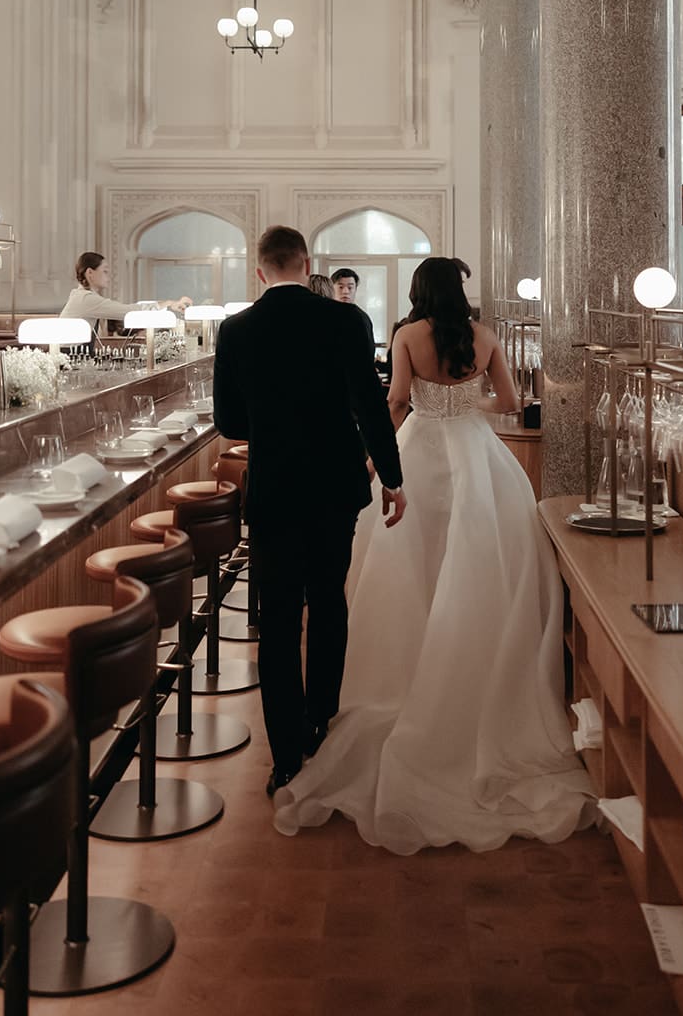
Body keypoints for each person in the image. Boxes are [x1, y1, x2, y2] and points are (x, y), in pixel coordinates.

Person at [274, 256, 595, 853]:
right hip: (477, 456)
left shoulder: (406, 336)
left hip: (417, 451)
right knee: (477, 561)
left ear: (419, 291)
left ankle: (410, 661)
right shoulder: (485, 336)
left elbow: (396, 400)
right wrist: (467, 404)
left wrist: (374, 460)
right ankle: (470, 660)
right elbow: (509, 401)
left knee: (409, 563)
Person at [213, 226, 404, 797]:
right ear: (306, 262)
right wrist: (392, 477)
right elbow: (370, 405)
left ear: (259, 271)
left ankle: (284, 755)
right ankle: (321, 720)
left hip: (275, 489)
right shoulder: (346, 322)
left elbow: (229, 422)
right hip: (334, 486)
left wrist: (272, 421)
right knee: (327, 602)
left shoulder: (236, 329)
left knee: (276, 621)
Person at [60, 251, 189, 330]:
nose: (109, 276)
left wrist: (166, 304)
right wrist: (168, 303)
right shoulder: (86, 299)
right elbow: (129, 312)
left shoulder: (81, 296)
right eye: (105, 271)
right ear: (90, 273)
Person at [330, 266, 375, 350]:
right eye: (340, 287)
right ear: (332, 288)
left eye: (350, 288)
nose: (345, 291)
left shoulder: (361, 318)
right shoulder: (326, 314)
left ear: (355, 289)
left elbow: (368, 349)